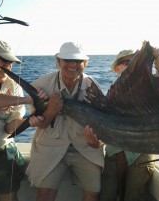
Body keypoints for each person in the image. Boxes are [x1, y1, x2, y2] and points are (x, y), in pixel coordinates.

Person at [85, 48, 159, 201]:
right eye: (127, 63)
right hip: (114, 152)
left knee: (133, 197)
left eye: (136, 63)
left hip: (141, 153)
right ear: (117, 69)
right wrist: (97, 142)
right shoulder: (111, 95)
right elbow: (104, 128)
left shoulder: (152, 86)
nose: (132, 67)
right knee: (107, 196)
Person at [26, 42, 104, 201]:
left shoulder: (93, 86)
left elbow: (104, 127)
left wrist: (97, 143)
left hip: (85, 149)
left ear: (86, 63)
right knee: (45, 194)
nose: (73, 65)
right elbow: (40, 124)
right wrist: (51, 110)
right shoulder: (41, 85)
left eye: (78, 61)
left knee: (93, 193)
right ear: (58, 61)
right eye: (67, 60)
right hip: (50, 146)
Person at [0, 40, 45, 201]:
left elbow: (9, 128)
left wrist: (30, 123)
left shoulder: (14, 86)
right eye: (3, 60)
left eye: (10, 62)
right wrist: (28, 100)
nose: (8, 66)